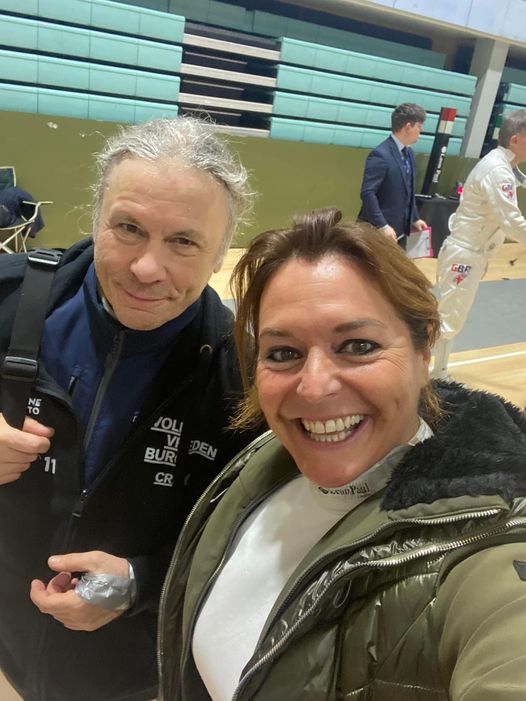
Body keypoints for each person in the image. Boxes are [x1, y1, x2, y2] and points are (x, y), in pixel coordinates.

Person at [157, 208, 526, 701]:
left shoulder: (488, 553)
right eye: (283, 353)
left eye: (357, 345)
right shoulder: (266, 463)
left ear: (423, 353)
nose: (313, 388)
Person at [0, 116, 259, 701]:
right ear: (96, 220)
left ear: (221, 253)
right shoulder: (10, 295)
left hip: (130, 676)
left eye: (184, 241)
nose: (147, 269)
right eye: (129, 228)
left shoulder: (246, 377)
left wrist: (142, 582)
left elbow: (250, 549)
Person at [432, 109, 526, 379]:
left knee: (451, 317)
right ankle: (427, 377)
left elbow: (517, 179)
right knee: (448, 319)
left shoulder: (502, 164)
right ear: (515, 140)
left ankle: (438, 373)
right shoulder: (498, 171)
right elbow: (511, 221)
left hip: (470, 253)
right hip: (465, 255)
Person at [358, 102, 428, 249]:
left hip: (399, 232)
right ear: (408, 127)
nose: (421, 130)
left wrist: (415, 218)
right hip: (377, 232)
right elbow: (368, 193)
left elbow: (408, 190)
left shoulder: (409, 153)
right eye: (419, 125)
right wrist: (382, 225)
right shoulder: (380, 155)